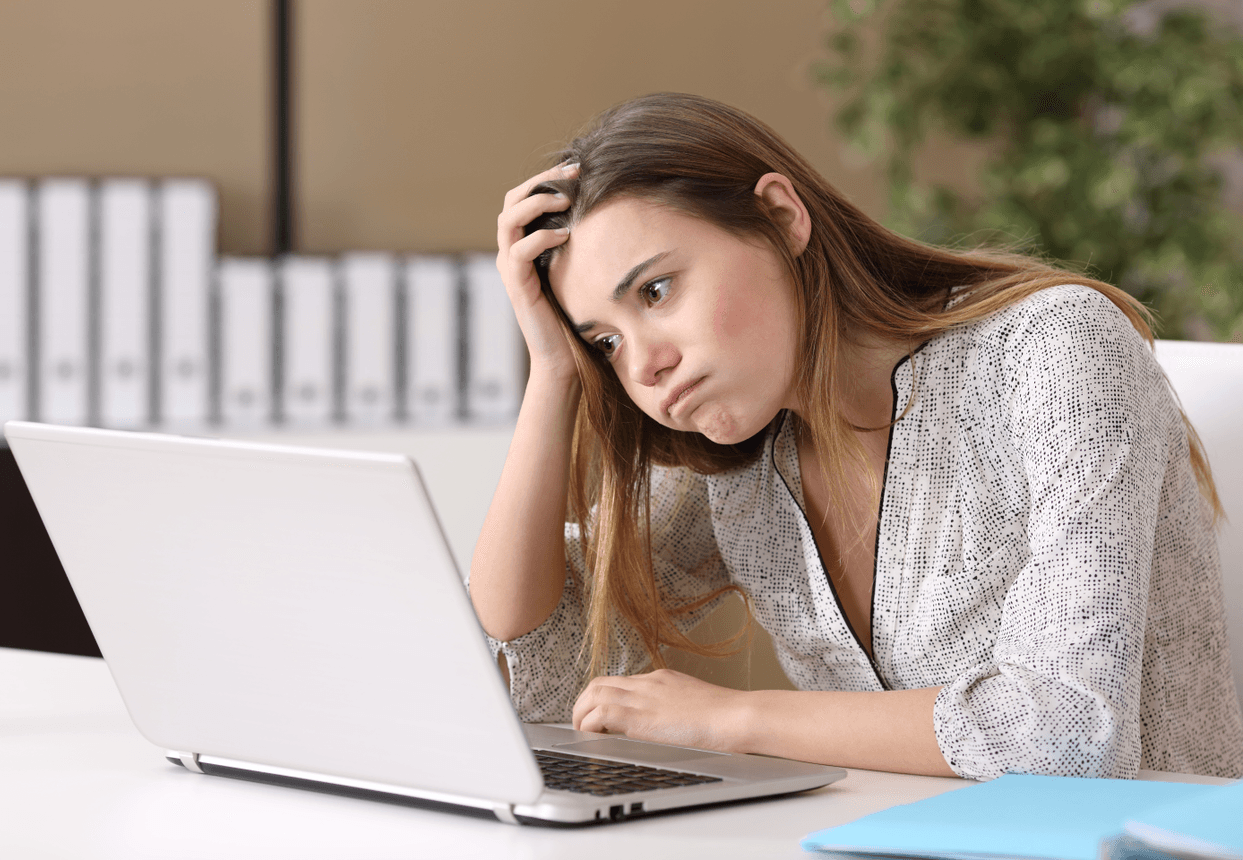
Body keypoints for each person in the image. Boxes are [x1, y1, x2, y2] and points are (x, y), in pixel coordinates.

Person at [467, 92, 1243, 780]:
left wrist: (735, 720)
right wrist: (553, 370)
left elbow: (1072, 731)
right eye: (604, 340)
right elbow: (539, 651)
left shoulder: (1049, 349)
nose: (646, 365)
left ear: (782, 216)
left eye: (657, 290)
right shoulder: (744, 459)